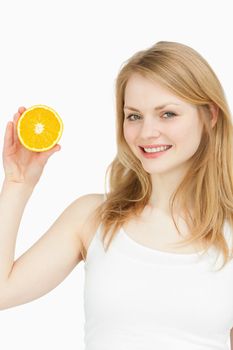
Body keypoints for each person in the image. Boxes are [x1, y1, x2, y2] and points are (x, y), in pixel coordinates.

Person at [0, 41, 233, 349]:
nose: (147, 132)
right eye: (134, 116)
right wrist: (18, 183)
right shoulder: (93, 217)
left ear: (210, 116)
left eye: (167, 114)